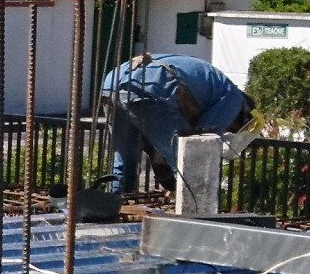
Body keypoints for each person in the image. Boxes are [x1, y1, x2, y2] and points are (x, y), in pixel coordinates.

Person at [97, 51, 251, 200]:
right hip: (151, 87)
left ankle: (113, 201)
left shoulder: (217, 85)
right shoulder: (233, 99)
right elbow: (199, 139)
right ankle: (193, 210)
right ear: (239, 117)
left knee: (124, 160)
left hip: (113, 84)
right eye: (230, 129)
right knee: (187, 162)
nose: (226, 129)